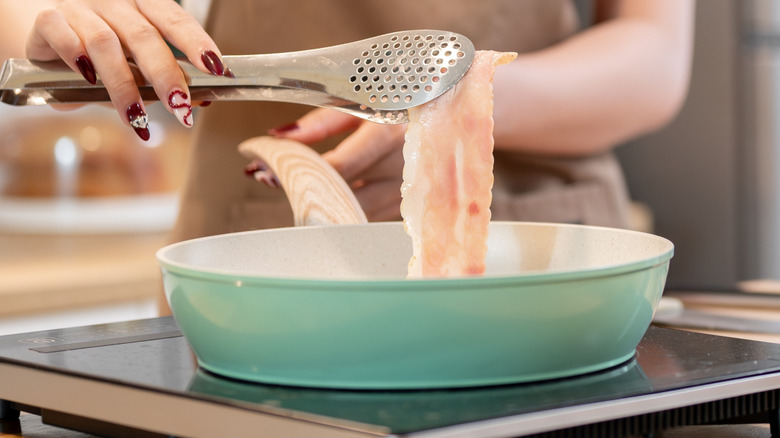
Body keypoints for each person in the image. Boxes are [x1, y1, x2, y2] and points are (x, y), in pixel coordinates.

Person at [0, 0, 695, 314]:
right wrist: (61, 22)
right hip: (254, 271)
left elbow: (655, 57)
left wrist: (448, 108)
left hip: (538, 259)